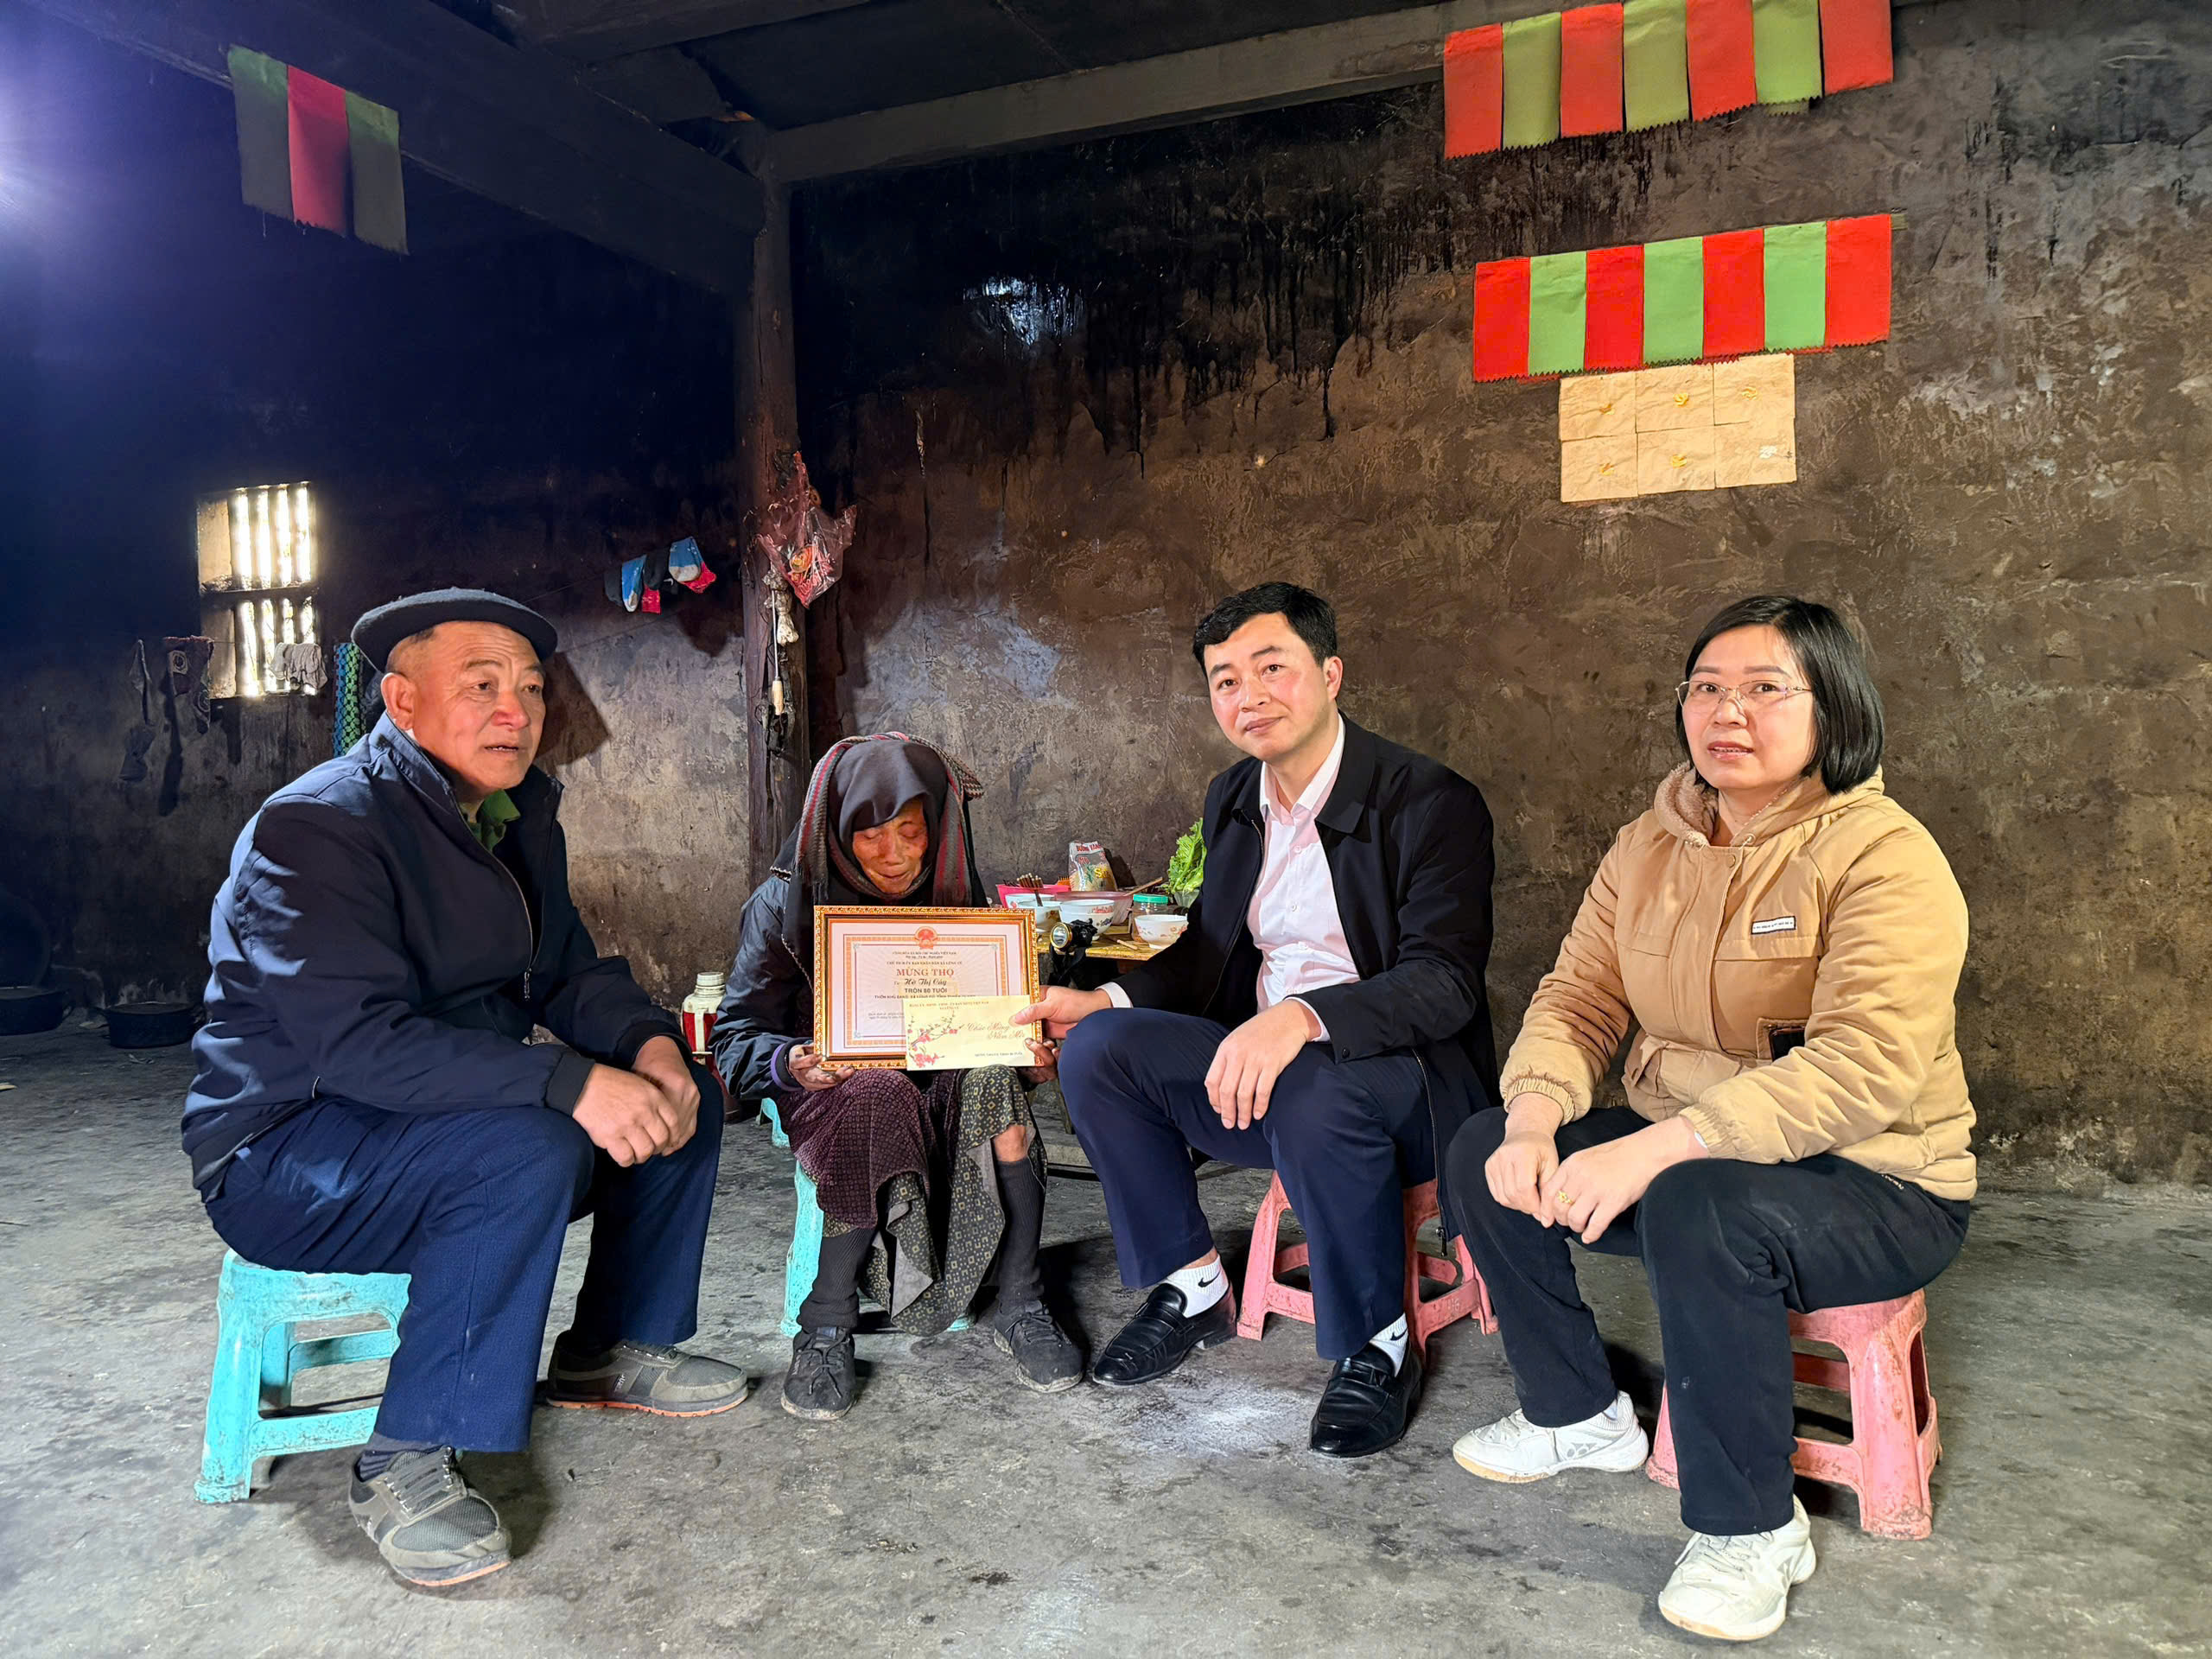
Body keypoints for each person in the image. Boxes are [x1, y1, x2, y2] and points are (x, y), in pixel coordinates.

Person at [182, 588, 750, 1589]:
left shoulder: (512, 815)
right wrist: (566, 1081)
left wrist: (650, 1047)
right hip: (289, 1151)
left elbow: (565, 971)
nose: (514, 712)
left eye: (528, 688)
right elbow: (356, 1046)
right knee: (526, 1146)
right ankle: (404, 1459)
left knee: (679, 1095)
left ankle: (613, 1346)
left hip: (439, 1121)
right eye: (481, 686)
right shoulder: (317, 828)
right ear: (401, 702)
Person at [1444, 595, 1974, 1643]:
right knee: (1481, 1148)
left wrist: (1658, 1150)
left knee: (1702, 1206)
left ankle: (1751, 1527)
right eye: (1706, 688)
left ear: (1834, 709)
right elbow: (1578, 999)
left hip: (1878, 1181)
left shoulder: (1883, 855)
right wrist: (1535, 1117)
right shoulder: (1648, 845)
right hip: (1690, 1160)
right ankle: (1577, 1413)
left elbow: (1862, 1067)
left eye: (1765, 688)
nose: (1727, 711)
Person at [1025, 582, 1498, 1458]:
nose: (1250, 696)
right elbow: (1209, 950)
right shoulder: (1234, 797)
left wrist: (1302, 1019)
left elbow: (1444, 984)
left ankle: (1377, 1343)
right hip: (1265, 1082)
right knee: (1099, 1051)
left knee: (1314, 1084)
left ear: (1330, 673)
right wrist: (1102, 1001)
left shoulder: (1430, 802)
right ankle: (1192, 1286)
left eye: (1271, 668)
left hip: (1407, 1089)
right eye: (1226, 680)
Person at [711, 734, 1084, 1421]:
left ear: (935, 829)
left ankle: (1021, 1301)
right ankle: (825, 1323)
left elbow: (987, 1023)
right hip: (832, 1091)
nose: (893, 855)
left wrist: (1025, 1055)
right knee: (878, 1091)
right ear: (836, 831)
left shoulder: (956, 895)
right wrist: (791, 1061)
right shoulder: (782, 904)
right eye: (870, 835)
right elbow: (733, 1039)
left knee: (996, 1083)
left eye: (910, 833)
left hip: (941, 1079)